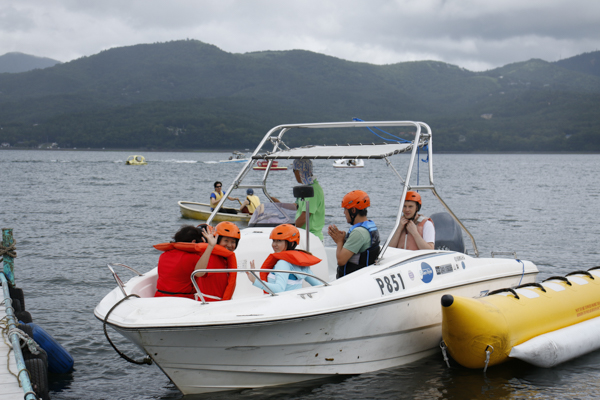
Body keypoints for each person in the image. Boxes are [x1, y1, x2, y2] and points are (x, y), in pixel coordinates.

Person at [153, 222, 238, 301]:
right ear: (194, 242)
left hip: (159, 297)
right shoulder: (194, 258)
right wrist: (209, 247)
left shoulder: (163, 255)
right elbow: (200, 273)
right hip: (182, 300)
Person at [246, 224, 322, 293]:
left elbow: (279, 289)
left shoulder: (282, 263)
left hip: (281, 304)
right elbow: (319, 284)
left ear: (291, 243)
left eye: (279, 241)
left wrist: (255, 281)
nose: (274, 245)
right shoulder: (299, 263)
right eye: (273, 241)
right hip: (295, 302)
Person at [328, 190, 380, 279]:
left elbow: (341, 261)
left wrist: (339, 241)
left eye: (345, 209)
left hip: (351, 280)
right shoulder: (371, 227)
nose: (344, 212)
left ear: (353, 210)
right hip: (363, 276)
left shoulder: (358, 232)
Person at [292, 159, 325, 240]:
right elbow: (296, 206)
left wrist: (290, 228)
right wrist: (279, 205)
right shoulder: (306, 188)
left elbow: (305, 216)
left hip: (311, 237)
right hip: (305, 235)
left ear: (298, 172)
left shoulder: (312, 189)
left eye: (294, 171)